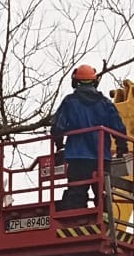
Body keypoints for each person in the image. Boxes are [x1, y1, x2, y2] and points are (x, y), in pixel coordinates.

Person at [51, 64, 127, 212]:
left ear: (75, 81)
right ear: (95, 81)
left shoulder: (69, 102)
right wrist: (121, 150)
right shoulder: (105, 104)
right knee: (103, 193)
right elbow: (119, 129)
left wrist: (59, 147)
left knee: (76, 193)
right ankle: (105, 220)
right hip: (101, 157)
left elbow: (57, 128)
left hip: (77, 156)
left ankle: (76, 220)